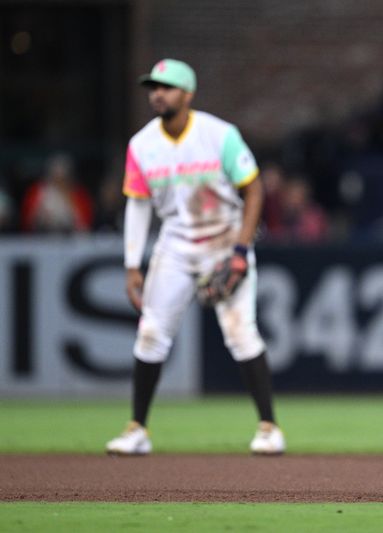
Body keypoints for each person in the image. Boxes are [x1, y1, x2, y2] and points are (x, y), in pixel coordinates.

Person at [106, 59, 285, 456]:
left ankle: (269, 427)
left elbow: (253, 190)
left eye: (167, 87)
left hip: (224, 238)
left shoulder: (219, 135)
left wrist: (240, 250)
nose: (157, 93)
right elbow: (137, 204)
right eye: (153, 86)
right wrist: (132, 264)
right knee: (151, 333)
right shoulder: (142, 145)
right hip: (175, 244)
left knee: (241, 333)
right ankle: (137, 429)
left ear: (187, 94)